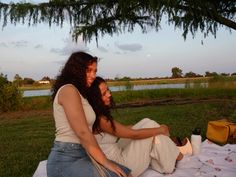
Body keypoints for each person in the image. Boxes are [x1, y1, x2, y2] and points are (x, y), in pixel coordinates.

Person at [46, 52, 132, 177]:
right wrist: (105, 161)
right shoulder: (68, 90)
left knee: (125, 173)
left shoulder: (80, 94)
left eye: (95, 71)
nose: (93, 75)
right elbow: (83, 132)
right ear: (76, 70)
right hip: (65, 159)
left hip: (83, 154)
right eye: (88, 70)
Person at [88, 77, 193, 177]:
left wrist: (142, 127)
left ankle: (170, 155)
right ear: (95, 99)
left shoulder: (96, 114)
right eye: (104, 93)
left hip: (116, 151)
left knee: (146, 122)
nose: (109, 94)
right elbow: (134, 134)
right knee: (151, 126)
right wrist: (162, 129)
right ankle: (179, 157)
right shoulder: (101, 120)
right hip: (122, 164)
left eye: (108, 90)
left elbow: (120, 130)